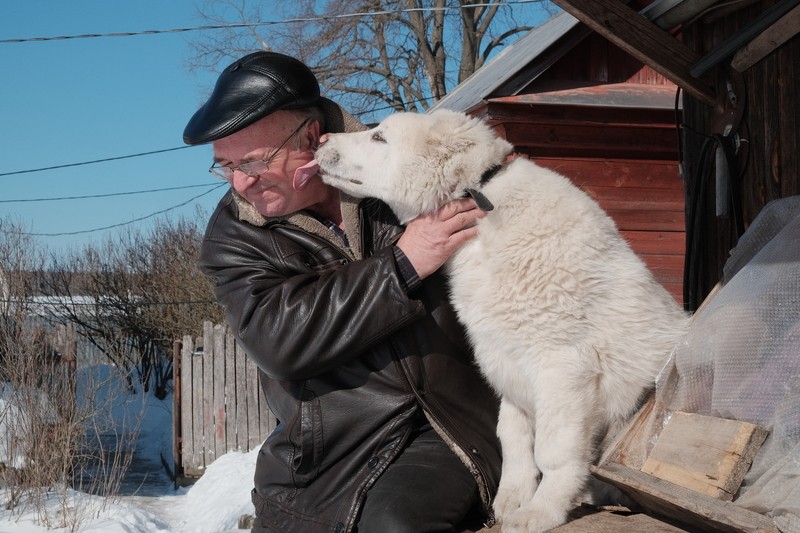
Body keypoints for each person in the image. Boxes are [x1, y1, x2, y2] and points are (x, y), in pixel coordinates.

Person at [183, 51, 502, 533]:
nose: (241, 183)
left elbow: (505, 207)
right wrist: (402, 266)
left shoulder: (405, 158)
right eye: (224, 165)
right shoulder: (234, 236)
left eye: (254, 160)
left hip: (450, 426)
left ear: (311, 136)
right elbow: (280, 340)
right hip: (323, 459)